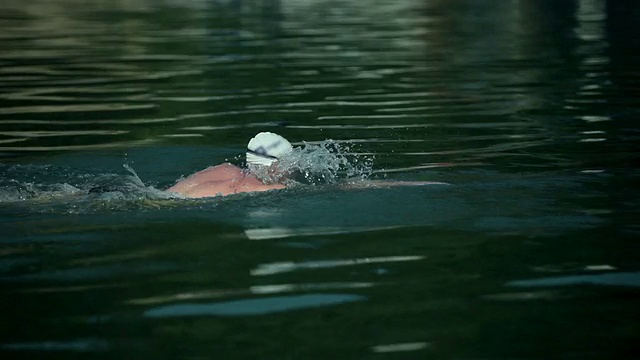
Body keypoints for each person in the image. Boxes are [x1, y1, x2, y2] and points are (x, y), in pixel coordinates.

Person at [167, 131, 448, 198]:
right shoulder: (271, 187)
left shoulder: (224, 169)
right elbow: (343, 186)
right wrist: (407, 182)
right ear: (276, 165)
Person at [166, 132, 293, 198]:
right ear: (275, 164)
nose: (291, 168)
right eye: (288, 162)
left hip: (159, 197)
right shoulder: (275, 188)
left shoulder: (226, 169)